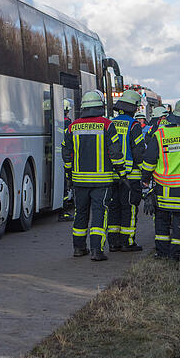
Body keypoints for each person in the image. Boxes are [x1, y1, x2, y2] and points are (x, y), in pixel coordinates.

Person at [62, 89, 124, 261]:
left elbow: (66, 153)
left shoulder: (72, 126)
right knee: (99, 214)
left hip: (79, 180)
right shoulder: (107, 125)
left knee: (80, 213)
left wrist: (69, 174)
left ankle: (79, 248)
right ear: (100, 107)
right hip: (102, 182)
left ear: (83, 107)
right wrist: (122, 173)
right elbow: (115, 152)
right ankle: (97, 250)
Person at [139, 99, 180, 260]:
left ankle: (162, 252)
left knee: (161, 220)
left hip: (163, 189)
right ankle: (176, 254)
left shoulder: (161, 134)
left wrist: (145, 179)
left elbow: (149, 161)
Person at [106, 89, 144, 252]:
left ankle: (113, 242)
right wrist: (145, 172)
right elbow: (138, 151)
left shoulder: (110, 123)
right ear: (134, 107)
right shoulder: (134, 125)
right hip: (130, 176)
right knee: (129, 207)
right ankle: (127, 242)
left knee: (113, 207)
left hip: (111, 175)